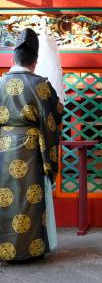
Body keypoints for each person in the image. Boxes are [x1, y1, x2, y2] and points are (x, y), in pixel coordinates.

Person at [0, 28, 63, 263]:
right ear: (35, 63)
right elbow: (55, 113)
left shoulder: (0, 83)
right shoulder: (40, 85)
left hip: (2, 148)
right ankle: (30, 249)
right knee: (29, 198)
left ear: (12, 59)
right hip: (30, 148)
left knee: (4, 197)